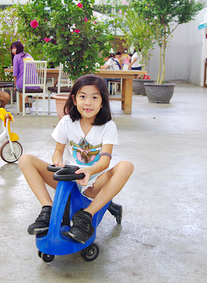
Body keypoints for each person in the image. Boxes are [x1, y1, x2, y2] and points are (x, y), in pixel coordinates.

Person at [18, 75, 133, 242]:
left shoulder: (108, 126)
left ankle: (86, 215)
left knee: (126, 166)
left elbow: (105, 160)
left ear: (102, 102)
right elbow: (58, 151)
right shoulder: (66, 122)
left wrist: (90, 170)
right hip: (67, 178)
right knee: (25, 159)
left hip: (93, 181)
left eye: (94, 97)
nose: (88, 102)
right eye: (82, 96)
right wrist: (57, 162)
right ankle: (47, 208)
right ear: (74, 99)